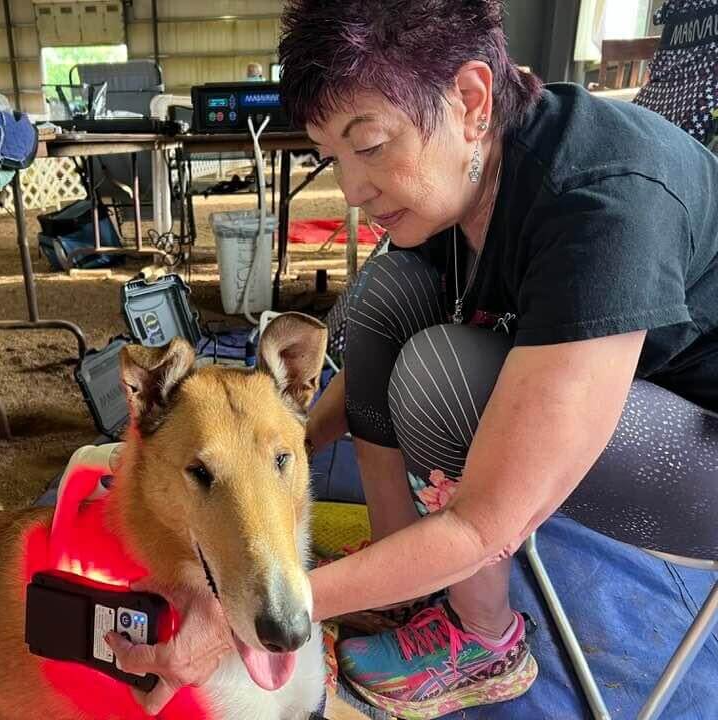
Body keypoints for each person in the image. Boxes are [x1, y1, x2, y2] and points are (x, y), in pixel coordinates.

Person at [109, 0, 718, 717]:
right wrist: (263, 447)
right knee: (383, 295)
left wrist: (264, 608)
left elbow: (486, 524)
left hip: (702, 446)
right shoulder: (474, 169)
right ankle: (404, 575)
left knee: (443, 377)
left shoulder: (604, 205)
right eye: (333, 158)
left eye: (369, 145)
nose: (352, 191)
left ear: (471, 100)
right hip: (617, 387)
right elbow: (360, 355)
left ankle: (483, 637)